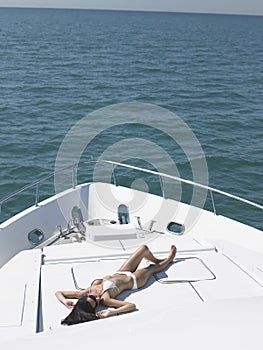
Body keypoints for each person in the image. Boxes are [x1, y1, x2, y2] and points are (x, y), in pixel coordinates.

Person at [56, 244, 176, 325]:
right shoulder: (106, 299)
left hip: (121, 272)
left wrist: (65, 301)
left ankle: (159, 260)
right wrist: (111, 312)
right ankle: (169, 260)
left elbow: (58, 293)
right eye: (96, 302)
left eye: (93, 298)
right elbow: (131, 305)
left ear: (85, 297)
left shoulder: (86, 291)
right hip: (134, 280)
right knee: (152, 268)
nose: (98, 298)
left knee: (143, 249)